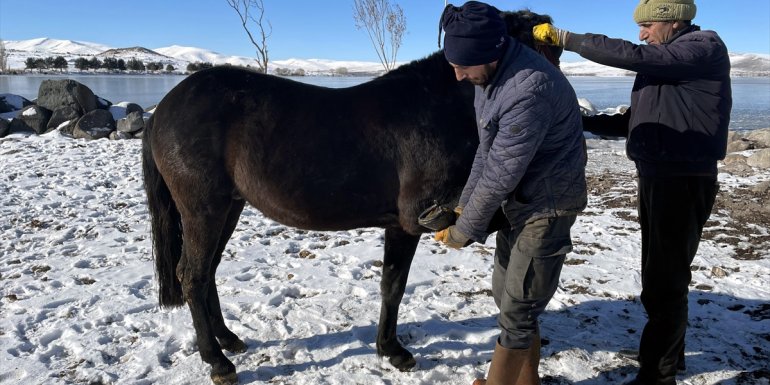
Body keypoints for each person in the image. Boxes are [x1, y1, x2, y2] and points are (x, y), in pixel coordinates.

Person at [532, 1, 732, 384]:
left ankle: (658, 374)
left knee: (665, 280)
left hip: (682, 180)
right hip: (658, 176)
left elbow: (632, 55)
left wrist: (566, 39)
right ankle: (668, 354)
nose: (642, 34)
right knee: (660, 274)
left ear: (675, 21)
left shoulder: (702, 47)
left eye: (649, 25)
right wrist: (583, 121)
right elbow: (636, 120)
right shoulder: (668, 64)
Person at [435, 2, 587, 384]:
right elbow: (486, 152)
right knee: (505, 295)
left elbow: (501, 173)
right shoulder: (489, 80)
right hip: (520, 202)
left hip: (548, 206)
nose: (458, 76)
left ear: (489, 53)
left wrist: (463, 231)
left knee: (519, 309)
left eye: (462, 66)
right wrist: (463, 207)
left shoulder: (529, 87)